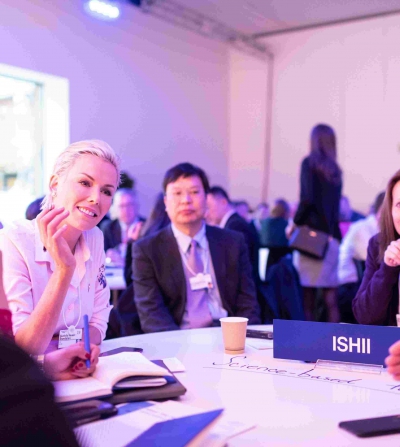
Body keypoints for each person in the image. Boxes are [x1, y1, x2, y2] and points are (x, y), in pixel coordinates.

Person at [0, 140, 120, 354]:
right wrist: (65, 269)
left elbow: (99, 325)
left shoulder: (95, 237)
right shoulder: (13, 241)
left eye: (107, 191)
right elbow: (24, 349)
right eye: (85, 183)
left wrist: (57, 344)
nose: (95, 198)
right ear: (55, 184)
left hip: (76, 369)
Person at [132, 163, 260, 333]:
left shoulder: (233, 243)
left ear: (206, 198)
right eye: (177, 193)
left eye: (194, 192)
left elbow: (248, 302)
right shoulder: (147, 250)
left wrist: (240, 339)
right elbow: (151, 314)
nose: (186, 200)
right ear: (165, 202)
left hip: (228, 337)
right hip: (177, 340)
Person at [289, 124, 342, 322]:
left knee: (307, 298)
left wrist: (294, 223)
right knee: (331, 298)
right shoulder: (336, 170)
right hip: (332, 239)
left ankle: (310, 345)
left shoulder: (308, 164)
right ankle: (337, 344)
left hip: (311, 239)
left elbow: (307, 199)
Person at [353, 170, 400, 325]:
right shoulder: (378, 245)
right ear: (390, 211)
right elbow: (365, 317)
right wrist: (388, 269)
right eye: (399, 205)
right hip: (389, 345)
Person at [337, 191, 385, 322]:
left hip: (358, 280)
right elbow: (375, 260)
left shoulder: (374, 228)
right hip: (348, 285)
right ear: (382, 209)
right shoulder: (362, 228)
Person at [207, 186, 259, 279]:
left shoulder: (235, 225)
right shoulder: (233, 222)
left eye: (209, 207)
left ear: (223, 202)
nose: (207, 213)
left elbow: (235, 265)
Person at [124, 192, 171, 286]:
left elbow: (129, 278)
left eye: (130, 205)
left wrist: (131, 243)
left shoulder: (145, 234)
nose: (126, 210)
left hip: (142, 296)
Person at [101, 188, 145, 265]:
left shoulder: (147, 226)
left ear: (137, 206)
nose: (126, 210)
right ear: (114, 208)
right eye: (121, 206)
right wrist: (108, 255)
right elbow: (101, 255)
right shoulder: (108, 227)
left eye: (129, 205)